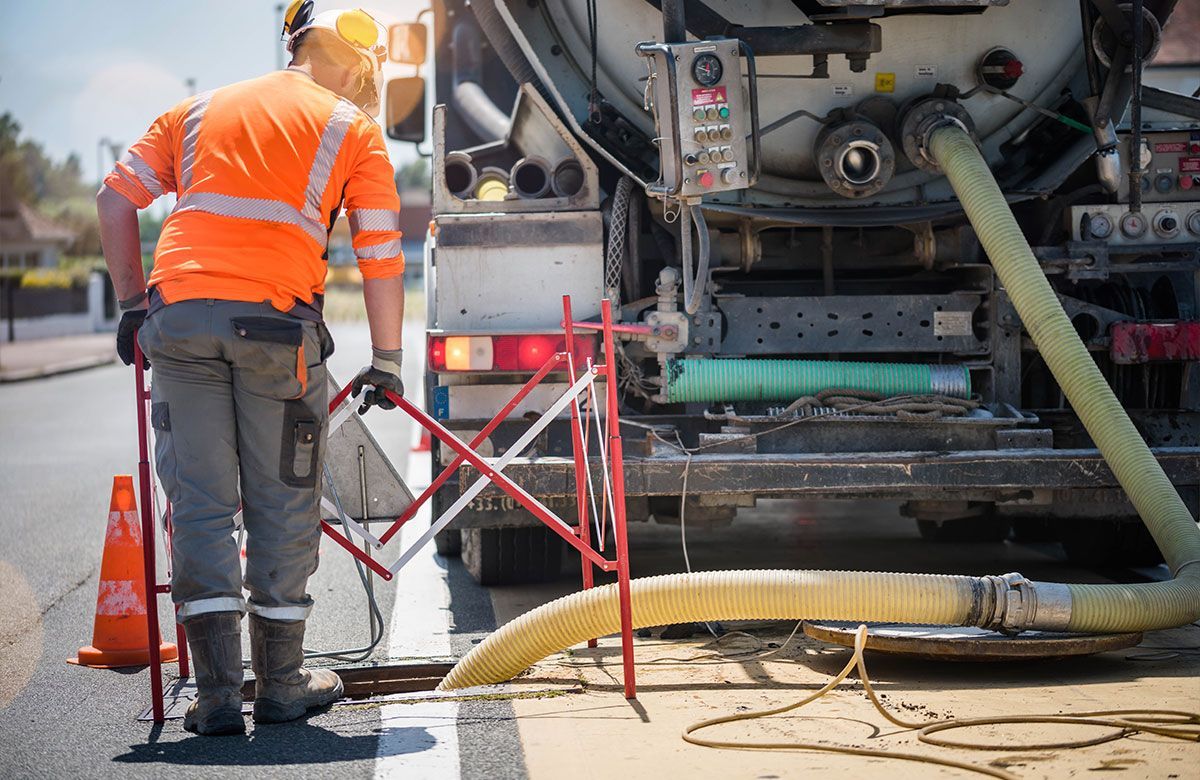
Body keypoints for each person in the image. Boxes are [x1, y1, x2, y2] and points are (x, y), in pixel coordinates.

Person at [95, 3, 405, 735]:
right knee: (283, 504)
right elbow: (381, 254)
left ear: (293, 41)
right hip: (276, 331)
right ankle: (282, 685)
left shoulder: (197, 110)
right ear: (357, 62)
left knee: (199, 506)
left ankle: (213, 699)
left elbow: (114, 200)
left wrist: (133, 305)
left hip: (177, 324)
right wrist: (386, 361)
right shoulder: (353, 129)